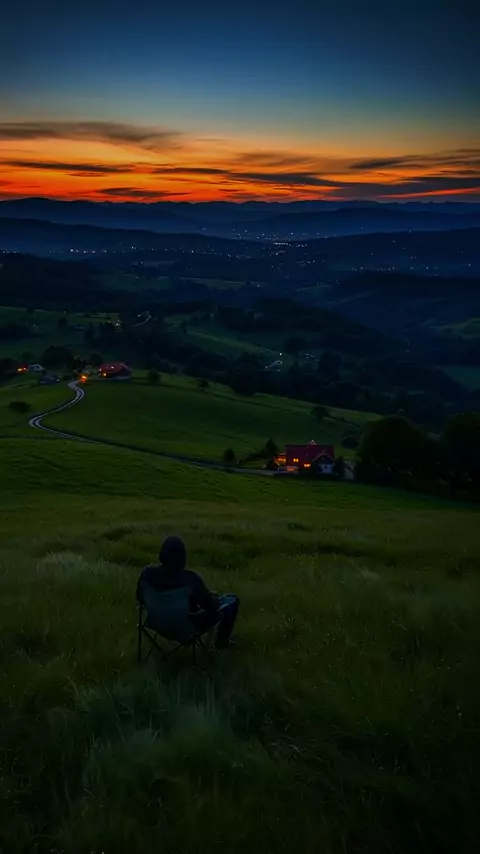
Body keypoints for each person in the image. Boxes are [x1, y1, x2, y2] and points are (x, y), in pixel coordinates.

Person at [137, 535, 239, 650]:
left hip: (156, 623)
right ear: (183, 557)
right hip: (187, 628)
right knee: (232, 600)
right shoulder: (191, 579)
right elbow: (212, 607)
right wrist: (212, 597)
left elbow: (140, 599)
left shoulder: (147, 574)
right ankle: (221, 645)